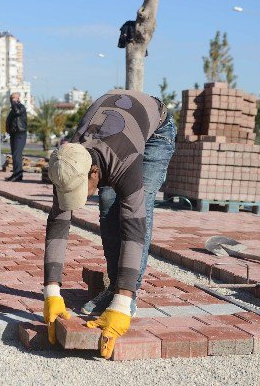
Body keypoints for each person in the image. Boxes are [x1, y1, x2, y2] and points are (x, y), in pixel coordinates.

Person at [42, 89, 176, 359]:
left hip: (155, 132)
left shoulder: (123, 162)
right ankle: (115, 287)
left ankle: (126, 298)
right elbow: (58, 225)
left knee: (135, 211)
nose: (83, 195)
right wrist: (51, 292)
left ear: (94, 172)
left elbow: (133, 230)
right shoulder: (69, 160)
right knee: (106, 205)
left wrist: (122, 302)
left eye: (83, 188)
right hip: (115, 128)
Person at [5, 92, 27, 182]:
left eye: (14, 98)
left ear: (18, 99)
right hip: (13, 134)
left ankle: (18, 175)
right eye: (11, 98)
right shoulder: (13, 109)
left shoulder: (21, 107)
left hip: (20, 134)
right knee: (14, 155)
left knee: (17, 155)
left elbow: (17, 112)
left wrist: (14, 103)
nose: (12, 100)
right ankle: (15, 174)